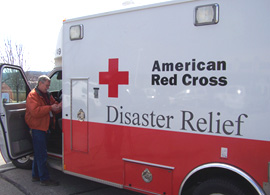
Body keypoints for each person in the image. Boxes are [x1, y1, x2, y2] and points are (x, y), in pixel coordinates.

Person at [25, 75, 62, 186]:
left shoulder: (46, 95)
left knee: (38, 153)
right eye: (46, 85)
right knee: (41, 154)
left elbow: (53, 104)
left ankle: (35, 175)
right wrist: (51, 108)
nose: (48, 87)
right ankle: (44, 179)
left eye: (49, 86)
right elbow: (35, 111)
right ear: (40, 83)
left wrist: (58, 106)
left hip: (45, 127)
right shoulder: (33, 95)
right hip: (38, 128)